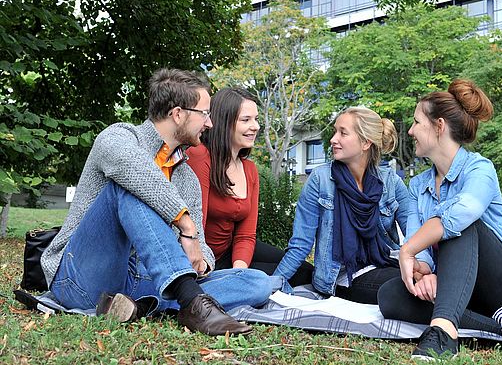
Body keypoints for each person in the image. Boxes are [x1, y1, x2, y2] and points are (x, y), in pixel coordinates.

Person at [40, 69, 275, 336]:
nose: (210, 123)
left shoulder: (187, 177)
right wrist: (185, 225)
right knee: (126, 187)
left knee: (256, 282)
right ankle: (190, 301)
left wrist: (203, 262)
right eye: (204, 114)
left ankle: (141, 306)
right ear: (178, 114)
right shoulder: (119, 137)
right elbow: (136, 173)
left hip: (140, 280)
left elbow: (202, 247)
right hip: (81, 277)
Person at [377, 79, 502, 360]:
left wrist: (407, 251)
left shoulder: (480, 169)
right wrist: (425, 272)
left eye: (417, 122)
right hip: (458, 285)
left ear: (439, 126)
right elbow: (421, 244)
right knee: (390, 295)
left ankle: (443, 334)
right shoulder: (419, 186)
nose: (412, 131)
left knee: (457, 226)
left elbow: (460, 215)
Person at [273, 107, 415, 304]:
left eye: (343, 132)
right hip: (342, 278)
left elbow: (415, 234)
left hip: (385, 262)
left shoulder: (391, 182)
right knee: (410, 289)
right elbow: (300, 244)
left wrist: (428, 267)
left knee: (428, 282)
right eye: (335, 131)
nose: (333, 139)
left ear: (366, 143)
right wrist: (273, 284)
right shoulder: (320, 180)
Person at [187, 88, 313, 285]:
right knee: (264, 279)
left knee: (303, 270)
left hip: (231, 254)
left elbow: (246, 234)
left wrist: (239, 273)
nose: (255, 127)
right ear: (224, 122)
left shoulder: (250, 169)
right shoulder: (200, 157)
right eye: (245, 120)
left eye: (255, 119)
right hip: (202, 260)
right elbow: (196, 227)